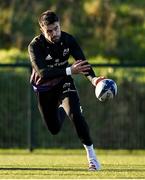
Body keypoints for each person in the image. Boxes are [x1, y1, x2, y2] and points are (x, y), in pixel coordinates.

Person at [28, 10, 105, 171]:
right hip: (44, 87)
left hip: (64, 82)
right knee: (54, 129)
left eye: (56, 28)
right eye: (49, 30)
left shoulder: (68, 39)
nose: (54, 33)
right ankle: (64, 109)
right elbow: (43, 73)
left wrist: (94, 80)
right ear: (42, 29)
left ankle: (93, 159)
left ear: (59, 25)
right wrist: (70, 70)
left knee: (76, 114)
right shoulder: (35, 46)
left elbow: (82, 63)